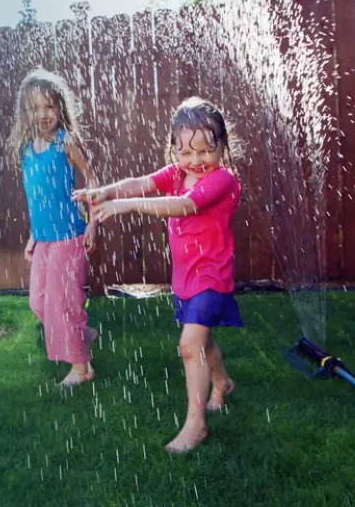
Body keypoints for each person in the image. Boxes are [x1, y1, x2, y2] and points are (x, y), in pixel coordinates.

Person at [74, 96, 242, 453]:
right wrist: (104, 192)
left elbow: (184, 205)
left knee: (188, 345)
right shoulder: (177, 174)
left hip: (211, 276)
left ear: (222, 145)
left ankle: (195, 425)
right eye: (186, 152)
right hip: (186, 277)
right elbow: (142, 182)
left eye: (205, 151)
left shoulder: (222, 180)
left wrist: (126, 206)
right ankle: (222, 381)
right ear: (174, 151)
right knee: (203, 341)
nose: (195, 161)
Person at [5, 69, 100, 387]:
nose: (43, 115)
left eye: (49, 106)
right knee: (38, 302)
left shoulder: (65, 143)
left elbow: (92, 179)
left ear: (60, 108)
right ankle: (82, 335)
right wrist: (34, 234)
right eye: (35, 108)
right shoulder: (26, 150)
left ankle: (81, 368)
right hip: (45, 239)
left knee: (64, 304)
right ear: (26, 113)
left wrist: (93, 223)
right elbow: (39, 198)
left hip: (70, 235)